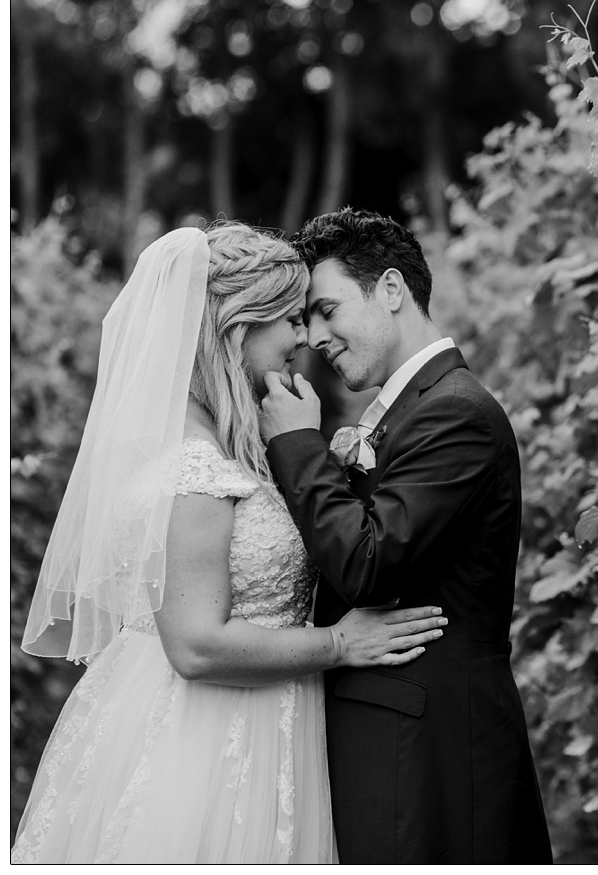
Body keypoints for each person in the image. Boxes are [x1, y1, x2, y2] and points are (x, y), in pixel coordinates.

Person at [12, 224, 447, 864]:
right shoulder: (196, 467)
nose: (305, 338)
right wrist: (338, 643)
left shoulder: (221, 443)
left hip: (269, 716)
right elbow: (193, 645)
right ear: (237, 325)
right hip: (207, 737)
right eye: (292, 319)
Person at [259, 208, 553, 863]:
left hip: (425, 753)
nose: (313, 335)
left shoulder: (456, 412)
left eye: (326, 309)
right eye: (307, 319)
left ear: (391, 290)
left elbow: (366, 563)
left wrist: (297, 443)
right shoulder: (412, 410)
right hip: (392, 741)